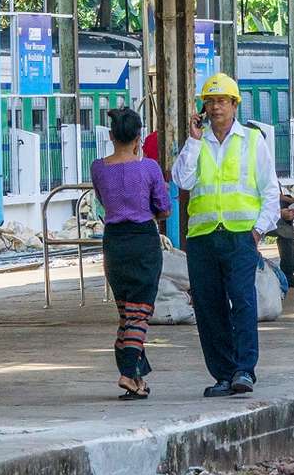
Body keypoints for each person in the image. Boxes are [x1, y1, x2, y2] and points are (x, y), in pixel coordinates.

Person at [173, 73, 281, 398]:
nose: (216, 107)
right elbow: (183, 180)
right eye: (210, 101)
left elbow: (270, 190)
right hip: (203, 237)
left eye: (222, 101)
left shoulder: (251, 141)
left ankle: (244, 370)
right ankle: (222, 373)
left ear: (234, 105)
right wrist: (192, 140)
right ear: (202, 108)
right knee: (208, 307)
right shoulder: (197, 142)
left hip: (239, 237)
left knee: (243, 301)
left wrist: (258, 230)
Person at [91, 107, 171, 399]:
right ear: (139, 137)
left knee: (127, 313)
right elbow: (163, 208)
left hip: (114, 243)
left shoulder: (98, 167)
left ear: (111, 136)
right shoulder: (149, 168)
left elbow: (102, 200)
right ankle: (127, 373)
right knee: (140, 314)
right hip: (143, 242)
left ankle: (138, 380)